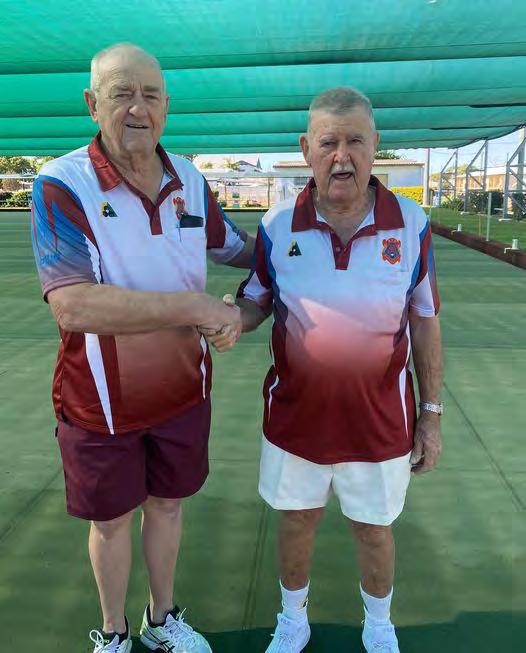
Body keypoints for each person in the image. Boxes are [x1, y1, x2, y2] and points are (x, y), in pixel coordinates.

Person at [30, 43, 254, 653]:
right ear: (92, 103)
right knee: (110, 522)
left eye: (150, 95)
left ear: (166, 105)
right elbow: (74, 305)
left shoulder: (189, 180)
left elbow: (237, 249)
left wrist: (302, 248)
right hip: (99, 401)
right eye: (121, 93)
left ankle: (162, 619)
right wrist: (197, 308)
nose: (138, 108)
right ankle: (114, 631)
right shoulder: (62, 183)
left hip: (183, 390)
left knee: (168, 507)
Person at [207, 87, 443, 653]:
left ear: (375, 145)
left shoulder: (411, 224)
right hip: (296, 417)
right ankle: (293, 620)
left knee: (374, 528)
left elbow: (425, 320)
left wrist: (431, 413)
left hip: (380, 419)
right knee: (296, 521)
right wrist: (231, 319)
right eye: (329, 142)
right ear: (306, 148)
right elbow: (258, 299)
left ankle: (379, 626)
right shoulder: (277, 224)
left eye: (355, 141)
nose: (342, 156)